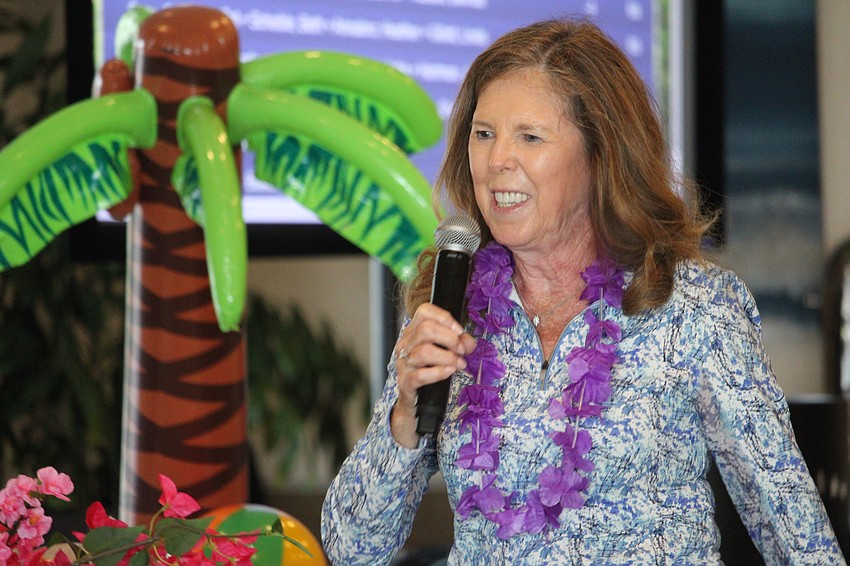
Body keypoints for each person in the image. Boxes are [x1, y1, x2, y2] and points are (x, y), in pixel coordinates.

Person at [321, 18, 846, 565]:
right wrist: (403, 418)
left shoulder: (694, 308)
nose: (497, 160)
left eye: (529, 136)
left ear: (600, 155)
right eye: (483, 133)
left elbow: (793, 529)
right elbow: (351, 547)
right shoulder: (451, 308)